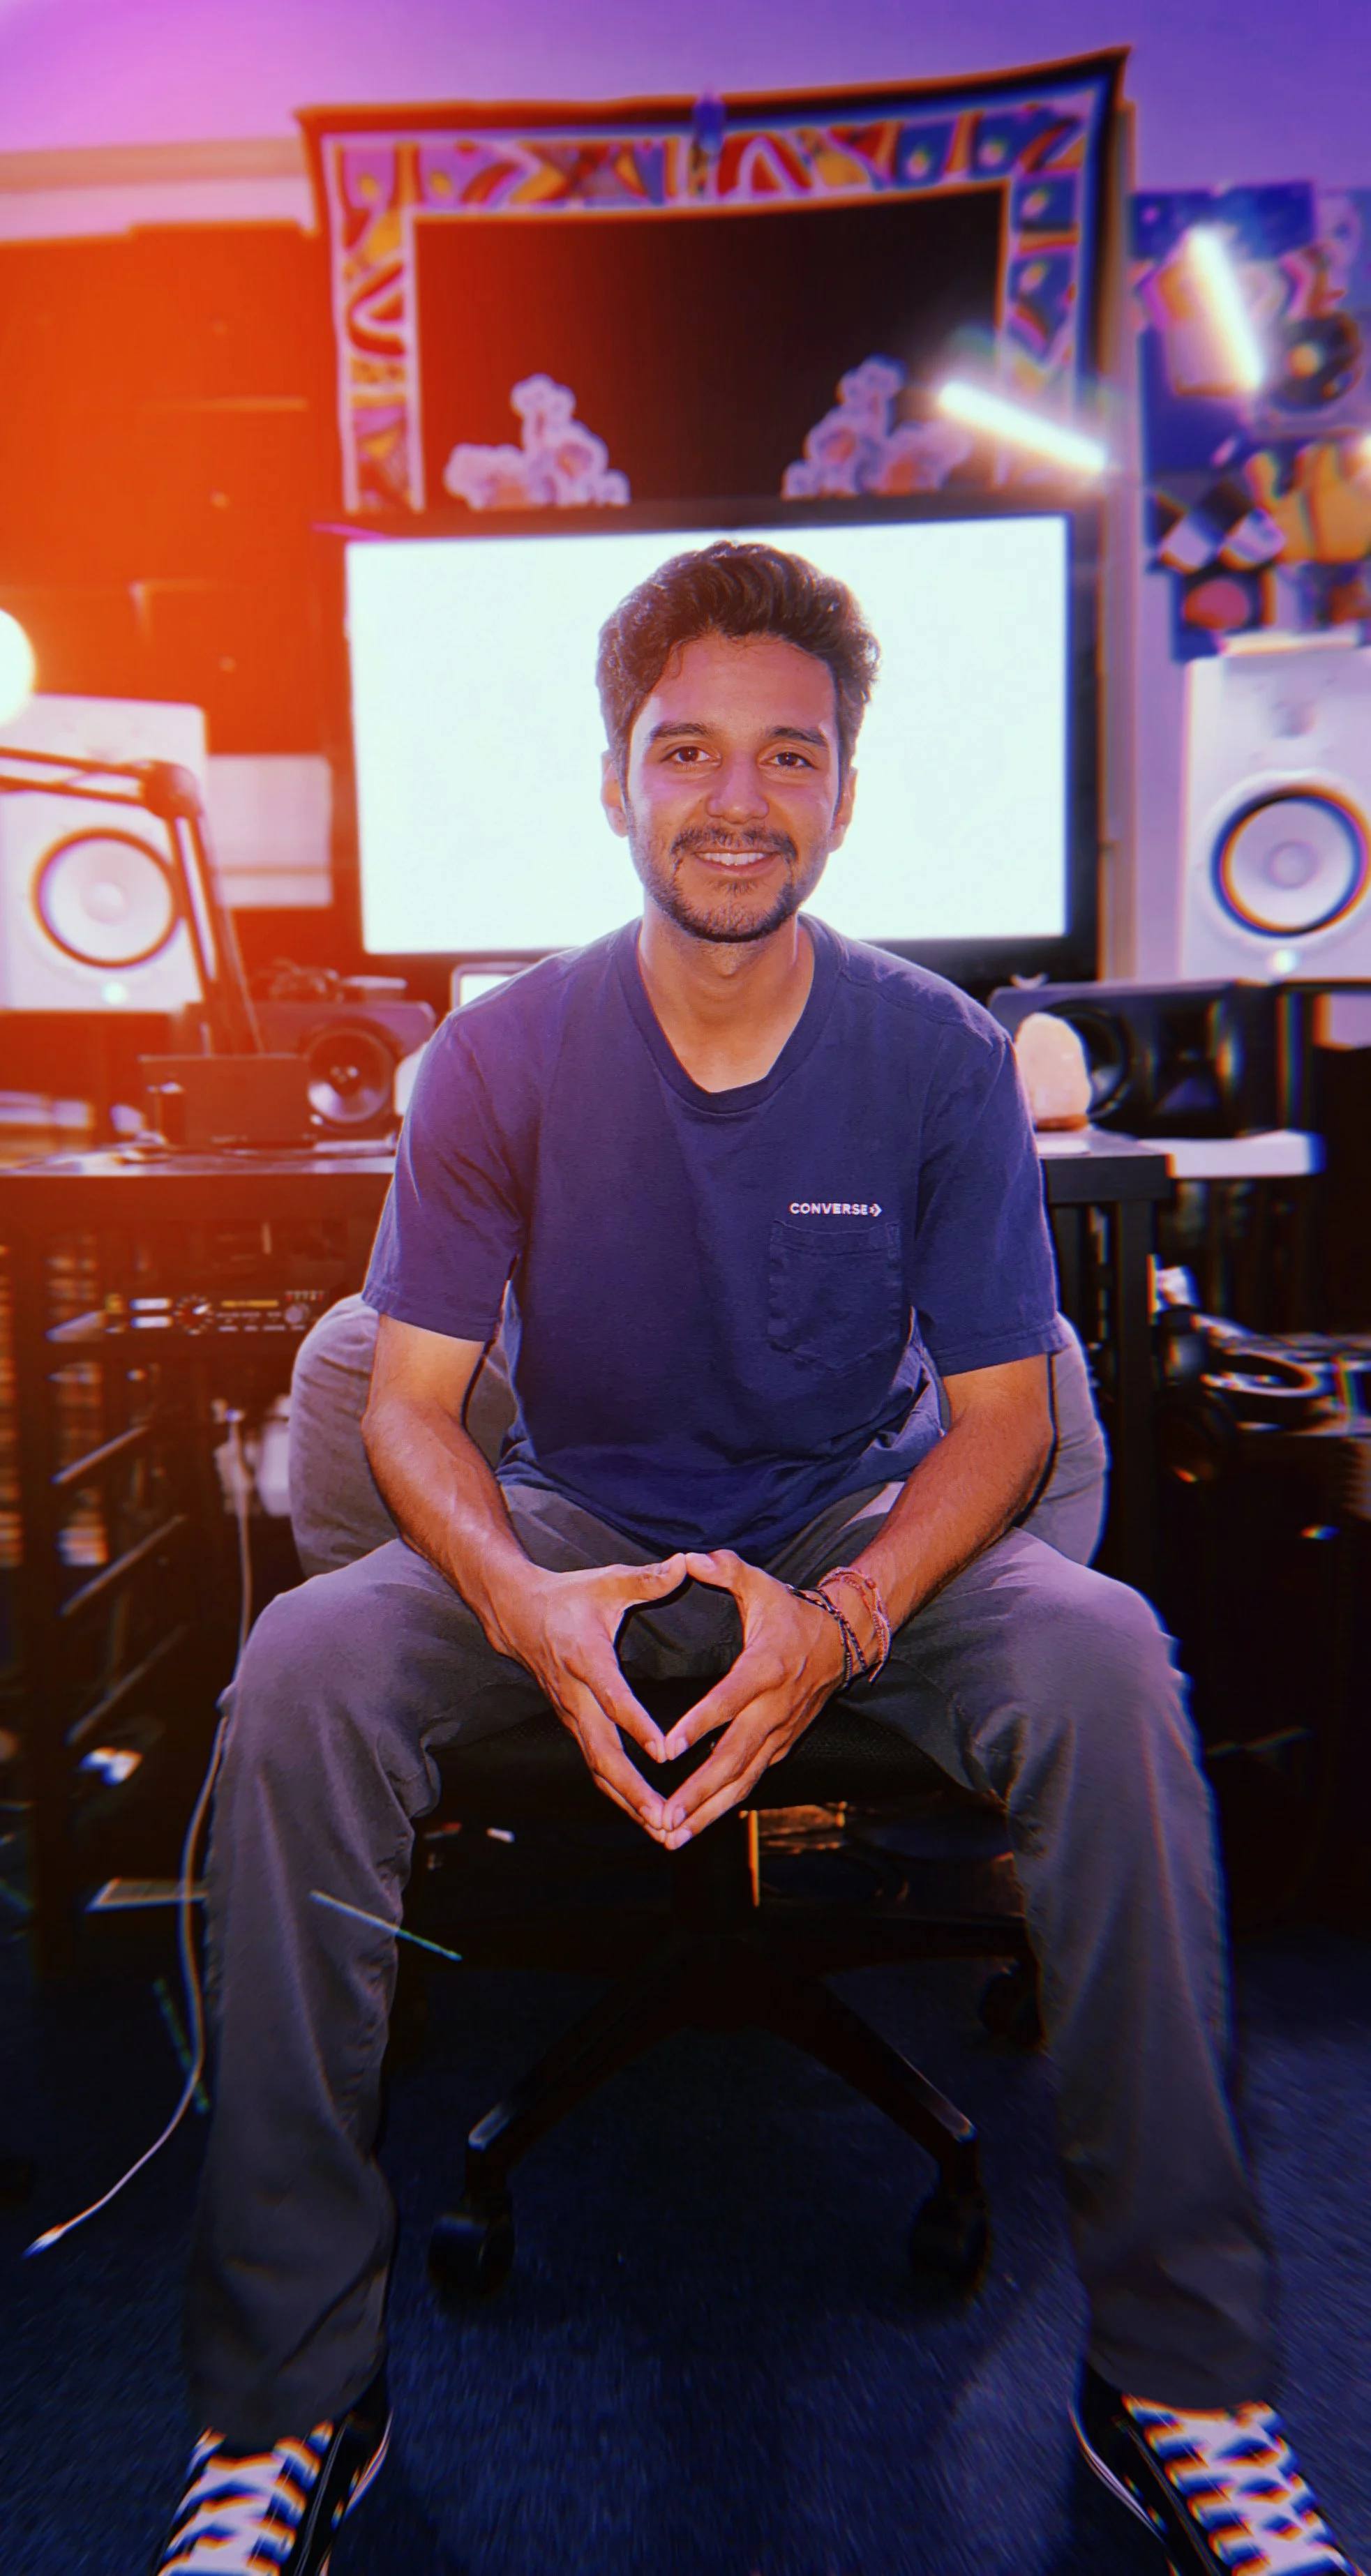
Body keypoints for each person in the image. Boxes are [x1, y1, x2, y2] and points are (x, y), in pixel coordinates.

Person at [156, 543, 1356, 2576]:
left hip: (852, 1531)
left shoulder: (938, 1058)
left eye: (784, 754)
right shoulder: (499, 1059)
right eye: (684, 748)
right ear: (613, 779)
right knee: (299, 1671)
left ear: (844, 792)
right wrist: (524, 1601)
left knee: (1102, 1654)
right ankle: (287, 2395)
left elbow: (1001, 1415)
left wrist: (853, 1608)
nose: (735, 794)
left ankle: (1181, 2376)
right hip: (574, 1524)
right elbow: (409, 1403)